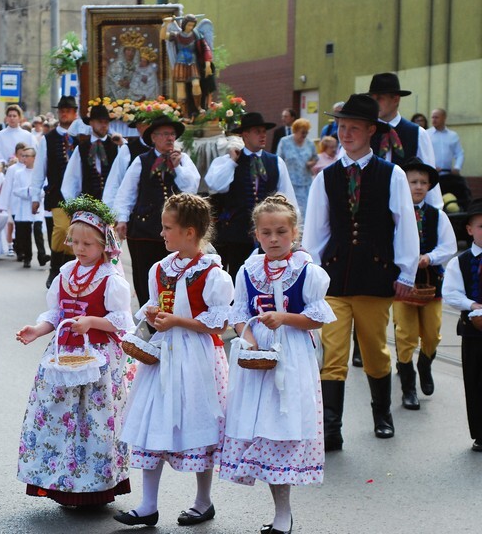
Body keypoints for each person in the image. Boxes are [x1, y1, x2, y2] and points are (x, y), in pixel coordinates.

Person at [303, 94, 419, 450]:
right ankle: (331, 428)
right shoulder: (326, 177)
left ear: (371, 130)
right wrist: (311, 275)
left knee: (374, 351)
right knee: (333, 353)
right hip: (335, 278)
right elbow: (315, 231)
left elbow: (404, 225)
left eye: (354, 127)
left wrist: (406, 273)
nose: (346, 133)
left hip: (375, 276)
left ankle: (382, 414)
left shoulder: (392, 174)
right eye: (342, 127)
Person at [220, 194, 335, 534]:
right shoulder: (249, 270)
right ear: (256, 234)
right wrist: (249, 338)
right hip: (257, 358)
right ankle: (279, 509)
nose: (273, 239)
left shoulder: (308, 272)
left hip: (292, 355)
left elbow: (317, 318)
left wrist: (284, 318)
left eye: (281, 232)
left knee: (281, 428)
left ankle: (283, 513)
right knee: (261, 429)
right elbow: (239, 313)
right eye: (266, 232)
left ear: (294, 233)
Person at [115, 193, 232, 528]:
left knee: (198, 423)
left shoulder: (212, 273)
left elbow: (219, 323)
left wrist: (178, 321)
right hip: (163, 354)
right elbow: (153, 309)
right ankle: (148, 504)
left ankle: (203, 501)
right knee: (152, 419)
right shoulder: (160, 269)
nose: (162, 233)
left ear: (189, 232)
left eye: (168, 228)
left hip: (196, 357)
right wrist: (152, 316)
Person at [15, 196, 134, 506]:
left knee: (93, 420)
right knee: (58, 416)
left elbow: (121, 320)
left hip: (98, 359)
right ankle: (61, 482)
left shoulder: (110, 278)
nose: (80, 249)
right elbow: (56, 314)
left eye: (88, 244)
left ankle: (95, 486)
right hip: (64, 356)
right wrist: (37, 330)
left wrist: (92, 321)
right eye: (76, 242)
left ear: (103, 245)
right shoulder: (67, 272)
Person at [115, 115, 201, 307]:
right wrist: (122, 219)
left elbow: (191, 188)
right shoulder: (142, 160)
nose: (170, 138)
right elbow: (127, 192)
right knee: (144, 273)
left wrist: (178, 168)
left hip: (176, 229)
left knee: (173, 272)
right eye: (164, 134)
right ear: (154, 137)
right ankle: (148, 313)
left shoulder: (183, 160)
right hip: (144, 228)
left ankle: (172, 311)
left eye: (172, 134)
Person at [392, 158, 457, 409]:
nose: (418, 186)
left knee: (432, 333)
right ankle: (408, 387)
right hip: (402, 284)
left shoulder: (437, 216)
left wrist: (429, 257)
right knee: (405, 334)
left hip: (431, 283)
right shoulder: (394, 214)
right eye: (413, 182)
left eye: (423, 182)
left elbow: (449, 246)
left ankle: (425, 363)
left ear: (429, 186)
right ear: (404, 185)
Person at [205, 112, 297, 280]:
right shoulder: (228, 161)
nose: (263, 135)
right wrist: (232, 162)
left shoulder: (275, 162)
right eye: (257, 132)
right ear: (245, 135)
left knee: (267, 278)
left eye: (264, 131)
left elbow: (287, 197)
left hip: (268, 234)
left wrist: (291, 230)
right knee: (236, 277)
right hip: (236, 234)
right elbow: (215, 185)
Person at [364, 72, 442, 208]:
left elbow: (427, 176)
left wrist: (433, 213)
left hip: (405, 209)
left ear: (395, 99)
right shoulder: (366, 131)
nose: (374, 103)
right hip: (371, 208)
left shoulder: (417, 133)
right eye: (372, 99)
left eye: (380, 98)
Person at [443, 198, 482, 452]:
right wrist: (472, 304)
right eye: (481, 226)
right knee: (475, 379)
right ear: (469, 230)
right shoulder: (461, 261)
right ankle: (480, 433)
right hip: (474, 330)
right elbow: (450, 292)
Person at [32, 96, 79, 287]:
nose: (64, 114)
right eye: (62, 111)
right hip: (56, 193)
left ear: (75, 113)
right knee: (61, 228)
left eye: (68, 111)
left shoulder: (81, 137)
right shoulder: (48, 139)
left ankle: (67, 269)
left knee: (74, 232)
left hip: (79, 195)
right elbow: (39, 169)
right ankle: (54, 268)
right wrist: (35, 196)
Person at [61, 104, 119, 205]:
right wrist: (73, 205)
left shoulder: (116, 147)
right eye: (100, 122)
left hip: (112, 206)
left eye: (106, 122)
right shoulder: (81, 149)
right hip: (88, 206)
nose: (103, 125)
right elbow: (72, 179)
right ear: (91, 123)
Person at [161, 14, 215, 114]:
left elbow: (206, 49)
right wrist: (165, 24)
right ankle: (184, 112)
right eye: (189, 25)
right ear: (184, 24)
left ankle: (198, 107)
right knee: (181, 88)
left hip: (193, 63)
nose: (191, 27)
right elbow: (163, 36)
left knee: (196, 85)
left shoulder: (197, 35)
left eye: (192, 25)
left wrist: (208, 64)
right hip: (180, 63)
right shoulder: (177, 35)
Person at [10, 147, 48, 268]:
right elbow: (16, 190)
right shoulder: (19, 173)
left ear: (34, 158)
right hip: (24, 207)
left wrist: (36, 194)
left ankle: (42, 255)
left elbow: (44, 189)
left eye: (27, 156)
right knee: (25, 234)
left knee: (38, 231)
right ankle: (27, 257)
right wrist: (29, 191)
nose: (24, 158)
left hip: (37, 206)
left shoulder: (41, 173)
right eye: (23, 156)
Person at [428, 107, 471, 209]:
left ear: (444, 118)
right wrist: (431, 167)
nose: (434, 120)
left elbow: (459, 153)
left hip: (449, 177)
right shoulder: (427, 134)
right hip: (433, 176)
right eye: (432, 117)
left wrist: (457, 167)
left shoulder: (453, 136)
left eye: (436, 117)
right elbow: (423, 154)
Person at [276, 118, 317, 218]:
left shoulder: (310, 143)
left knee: (306, 212)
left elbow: (315, 158)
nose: (304, 135)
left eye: (306, 132)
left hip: (305, 184)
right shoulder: (285, 142)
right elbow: (278, 160)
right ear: (296, 130)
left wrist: (311, 163)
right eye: (303, 132)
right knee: (291, 211)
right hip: (290, 183)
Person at [105, 30, 142, 100]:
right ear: (124, 51)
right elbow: (114, 79)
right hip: (118, 95)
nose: (130, 53)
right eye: (128, 50)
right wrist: (121, 82)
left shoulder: (138, 66)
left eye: (133, 51)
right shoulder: (116, 65)